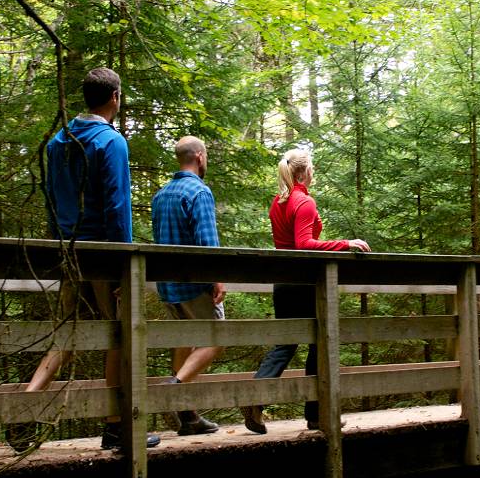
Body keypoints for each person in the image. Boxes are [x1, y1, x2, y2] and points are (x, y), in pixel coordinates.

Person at [30, 67, 158, 451]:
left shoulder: (58, 141)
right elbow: (118, 207)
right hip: (103, 253)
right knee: (119, 334)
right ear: (115, 97)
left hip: (70, 251)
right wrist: (123, 262)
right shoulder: (111, 142)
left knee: (66, 335)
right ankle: (116, 426)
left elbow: (52, 199)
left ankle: (23, 409)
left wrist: (59, 244)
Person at [241, 148, 370, 434]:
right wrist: (345, 243)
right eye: (312, 167)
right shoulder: (304, 202)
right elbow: (304, 244)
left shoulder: (279, 201)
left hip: (283, 281)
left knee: (286, 343)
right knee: (319, 343)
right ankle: (317, 414)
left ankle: (257, 398)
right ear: (304, 172)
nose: (314, 172)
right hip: (303, 282)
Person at [149, 136, 227, 436]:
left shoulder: (161, 194)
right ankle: (173, 390)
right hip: (193, 284)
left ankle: (189, 417)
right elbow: (208, 243)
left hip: (167, 286)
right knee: (216, 338)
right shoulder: (199, 192)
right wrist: (217, 278)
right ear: (199, 157)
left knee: (184, 341)